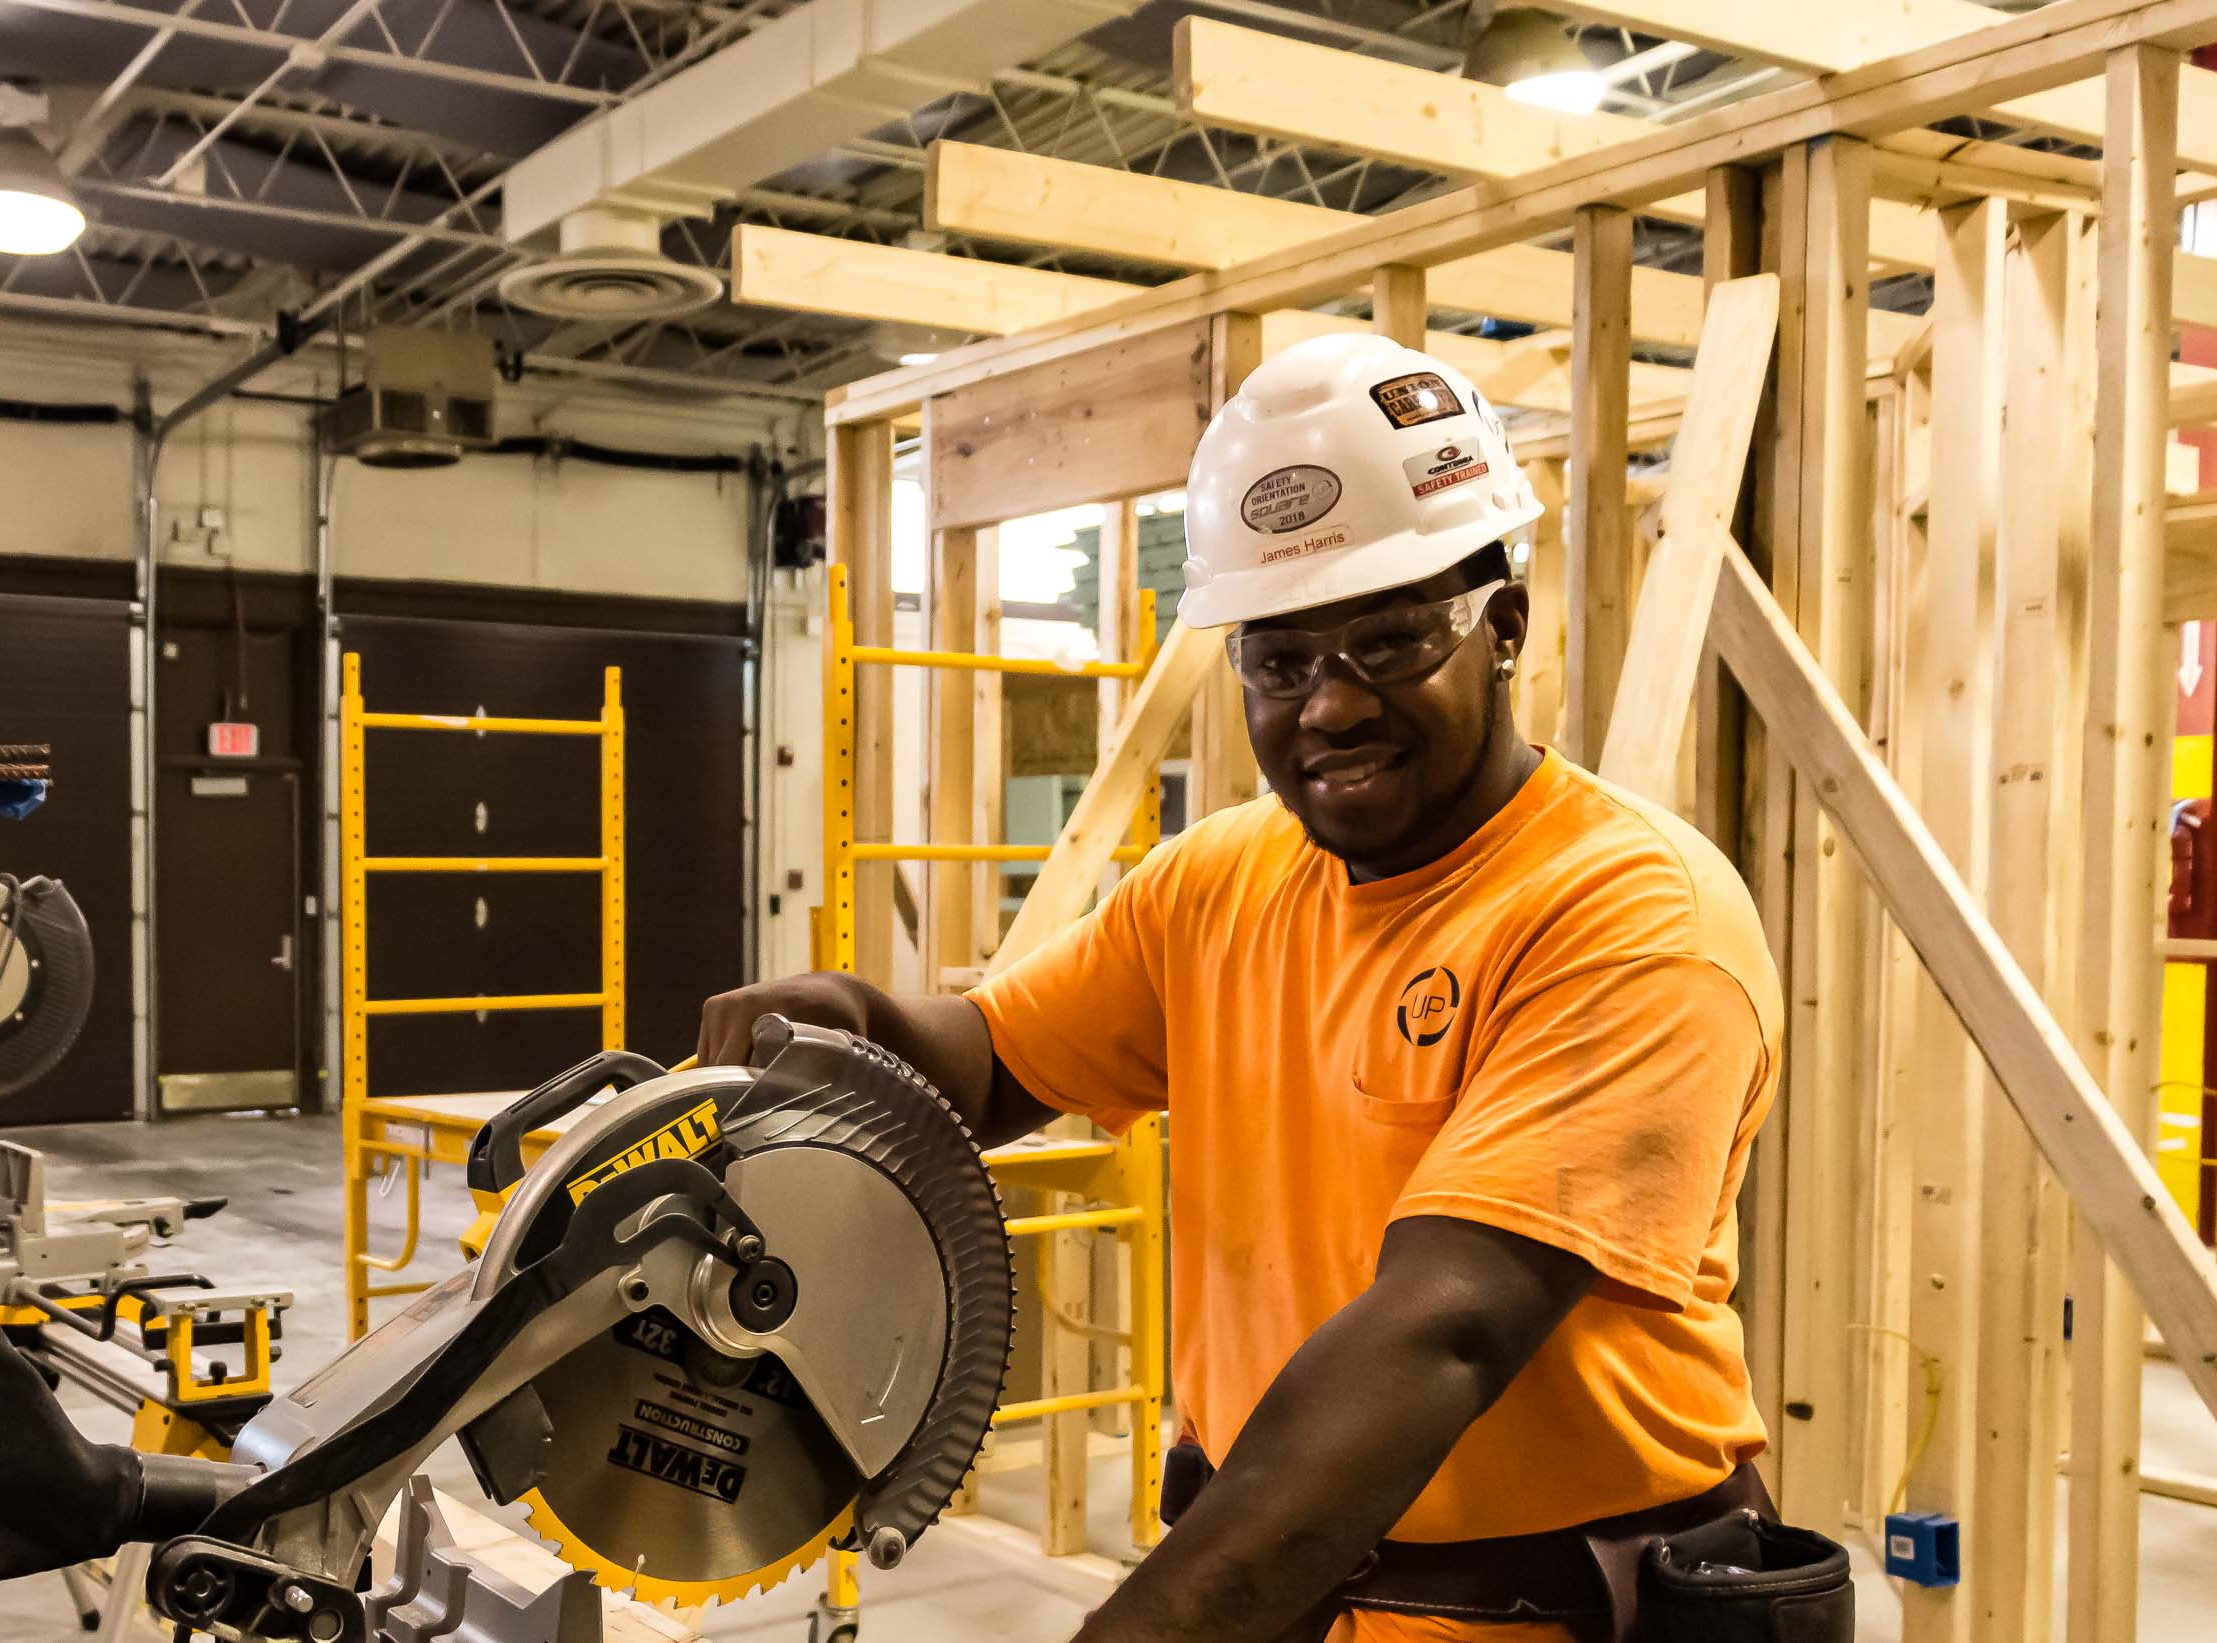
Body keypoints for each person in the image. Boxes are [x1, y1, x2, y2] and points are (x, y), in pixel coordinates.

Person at [701, 334, 1786, 1643]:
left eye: (1388, 643)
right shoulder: (1215, 882)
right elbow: (994, 1062)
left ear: (1504, 629)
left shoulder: (1627, 915)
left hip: (1544, 1615)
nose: (1329, 708)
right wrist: (854, 1031)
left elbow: (1445, 1328)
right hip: (1285, 1598)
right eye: (1280, 661)